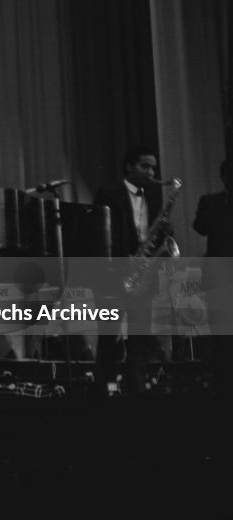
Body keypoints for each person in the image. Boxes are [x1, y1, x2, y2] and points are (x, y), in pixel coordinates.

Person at [92, 145, 169, 396]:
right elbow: (99, 235)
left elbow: (164, 232)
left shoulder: (156, 198)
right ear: (129, 166)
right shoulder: (108, 194)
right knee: (108, 339)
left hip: (144, 276)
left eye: (153, 167)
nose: (151, 172)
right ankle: (102, 393)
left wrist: (162, 247)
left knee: (139, 341)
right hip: (115, 275)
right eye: (145, 166)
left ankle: (138, 396)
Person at [192, 158, 233, 396]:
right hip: (218, 276)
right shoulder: (210, 201)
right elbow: (200, 226)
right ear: (224, 176)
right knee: (220, 334)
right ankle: (222, 388)